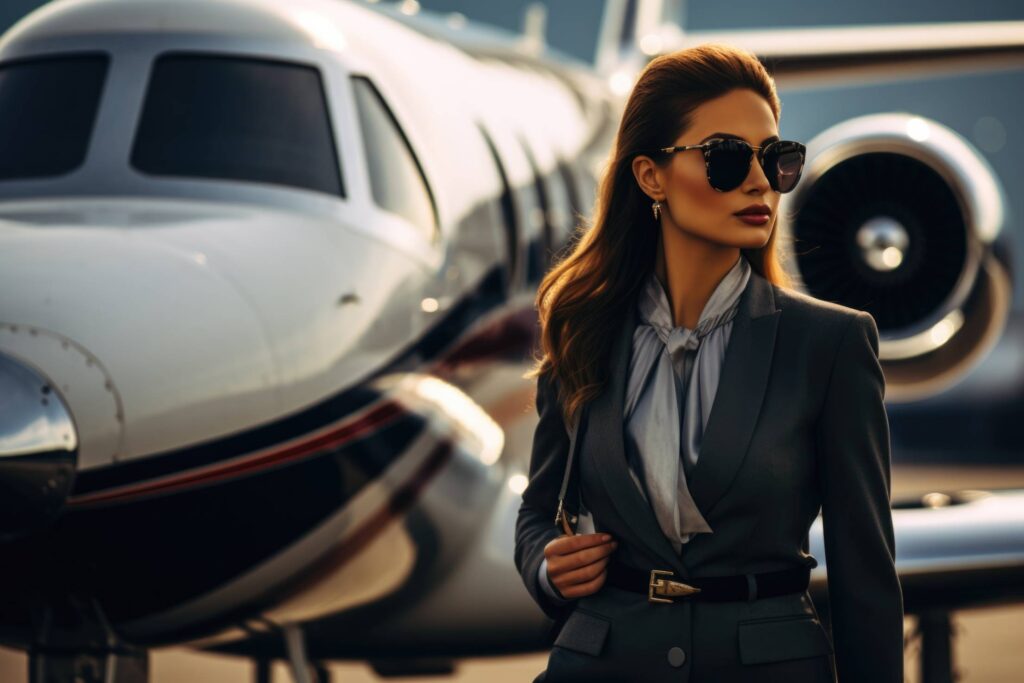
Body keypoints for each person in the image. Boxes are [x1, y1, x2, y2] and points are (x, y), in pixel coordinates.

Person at [513, 43, 904, 682]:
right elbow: (539, 507)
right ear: (650, 176)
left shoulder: (830, 345)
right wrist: (544, 564)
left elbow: (866, 575)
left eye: (776, 158)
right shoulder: (583, 329)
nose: (758, 181)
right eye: (725, 158)